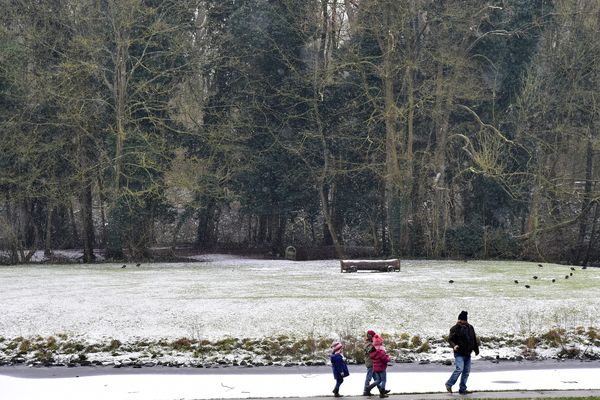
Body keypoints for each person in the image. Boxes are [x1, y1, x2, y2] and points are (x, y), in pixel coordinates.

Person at [445, 310, 479, 395]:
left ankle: (462, 389)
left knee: (466, 372)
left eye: (464, 320)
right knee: (459, 369)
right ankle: (449, 384)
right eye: (461, 320)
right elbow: (450, 339)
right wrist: (454, 346)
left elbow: (473, 338)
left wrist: (476, 349)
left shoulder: (470, 327)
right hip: (459, 353)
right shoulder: (455, 328)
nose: (463, 321)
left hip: (468, 353)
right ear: (459, 320)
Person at [363, 330, 376, 396]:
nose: (374, 337)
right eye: (373, 336)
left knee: (376, 378)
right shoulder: (367, 343)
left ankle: (381, 390)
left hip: (373, 362)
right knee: (369, 378)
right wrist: (375, 345)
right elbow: (369, 350)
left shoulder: (370, 342)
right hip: (370, 363)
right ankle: (365, 391)